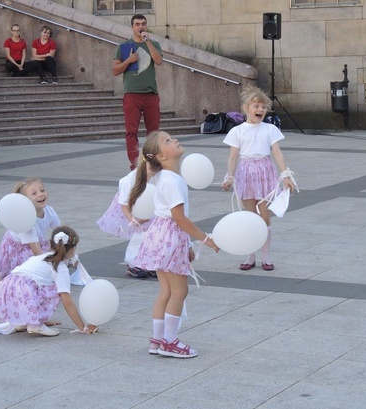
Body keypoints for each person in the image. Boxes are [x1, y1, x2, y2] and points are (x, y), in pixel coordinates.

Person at [132, 130, 219, 358]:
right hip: (170, 236)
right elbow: (179, 218)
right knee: (180, 290)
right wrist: (205, 239)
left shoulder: (164, 178)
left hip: (161, 236)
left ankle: (157, 340)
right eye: (168, 141)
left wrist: (187, 244)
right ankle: (169, 342)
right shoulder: (173, 180)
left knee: (166, 291)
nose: (176, 140)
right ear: (160, 156)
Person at [221, 85, 296, 271]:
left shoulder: (270, 129)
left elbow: (277, 153)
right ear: (246, 108)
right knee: (249, 217)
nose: (260, 110)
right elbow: (233, 157)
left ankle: (266, 257)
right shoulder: (237, 131)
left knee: (264, 216)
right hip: (246, 173)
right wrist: (230, 177)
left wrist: (285, 175)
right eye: (256, 106)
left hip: (265, 173)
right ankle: (250, 255)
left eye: (263, 107)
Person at [0, 226, 96, 336]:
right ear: (72, 249)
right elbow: (67, 302)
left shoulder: (43, 257)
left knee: (42, 285)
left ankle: (23, 321)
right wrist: (83, 327)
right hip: (23, 291)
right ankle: (36, 325)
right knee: (57, 290)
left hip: (7, 288)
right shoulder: (60, 268)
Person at [112, 14, 163, 171]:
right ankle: (135, 165)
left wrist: (147, 41)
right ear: (132, 27)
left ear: (146, 26)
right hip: (132, 94)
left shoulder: (153, 43)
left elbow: (159, 61)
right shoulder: (124, 46)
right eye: (137, 24)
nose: (140, 26)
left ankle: (151, 162)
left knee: (153, 133)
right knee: (131, 131)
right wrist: (128, 61)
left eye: (143, 24)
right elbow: (115, 70)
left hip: (150, 94)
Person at [96, 164, 156, 278]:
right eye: (151, 167)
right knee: (138, 235)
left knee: (152, 235)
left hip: (148, 206)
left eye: (157, 167)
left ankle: (149, 263)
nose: (154, 170)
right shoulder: (130, 179)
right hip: (131, 206)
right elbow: (123, 204)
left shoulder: (157, 176)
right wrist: (132, 219)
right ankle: (133, 264)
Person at [0, 177, 61, 279]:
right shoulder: (27, 220)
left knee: (54, 247)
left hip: (35, 242)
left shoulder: (49, 211)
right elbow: (37, 253)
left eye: (42, 190)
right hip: (19, 247)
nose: (40, 194)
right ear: (25, 201)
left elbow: (60, 232)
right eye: (34, 193)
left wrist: (65, 248)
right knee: (29, 273)